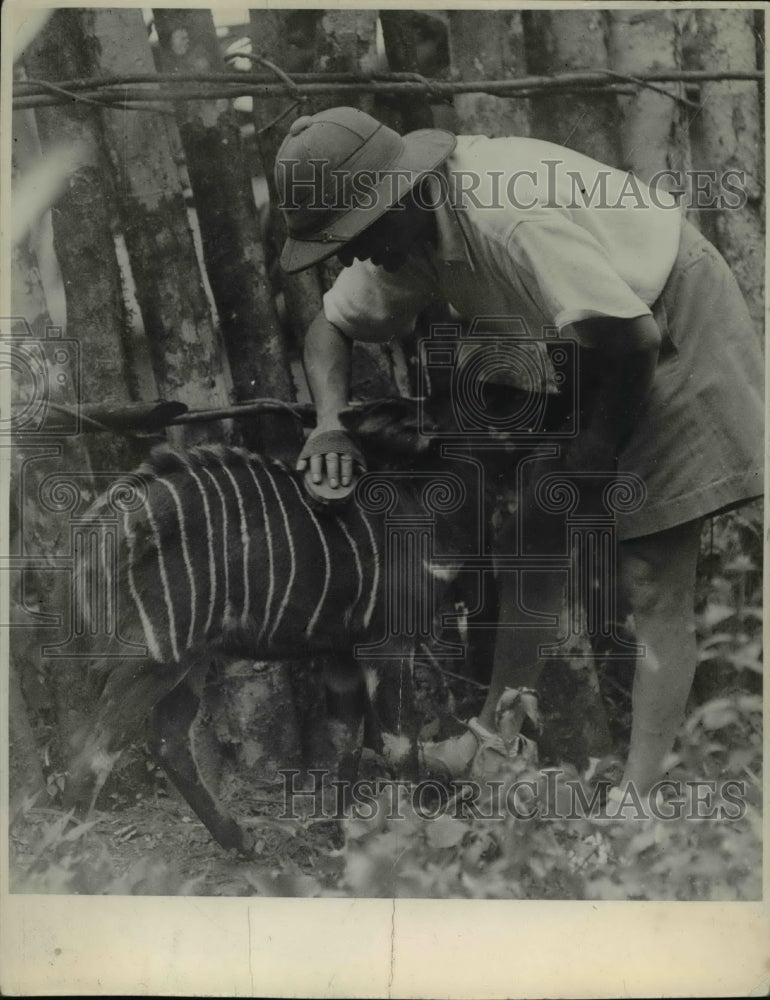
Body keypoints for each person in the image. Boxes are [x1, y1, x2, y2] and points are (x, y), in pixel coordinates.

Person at [274, 106, 764, 802]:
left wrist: (594, 449)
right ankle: (495, 747)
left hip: (668, 319)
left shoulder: (510, 216)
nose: (352, 254)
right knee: (533, 530)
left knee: (654, 574)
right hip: (593, 339)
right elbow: (330, 327)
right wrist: (328, 423)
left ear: (404, 193)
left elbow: (636, 340)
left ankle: (635, 802)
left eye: (356, 234)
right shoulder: (404, 237)